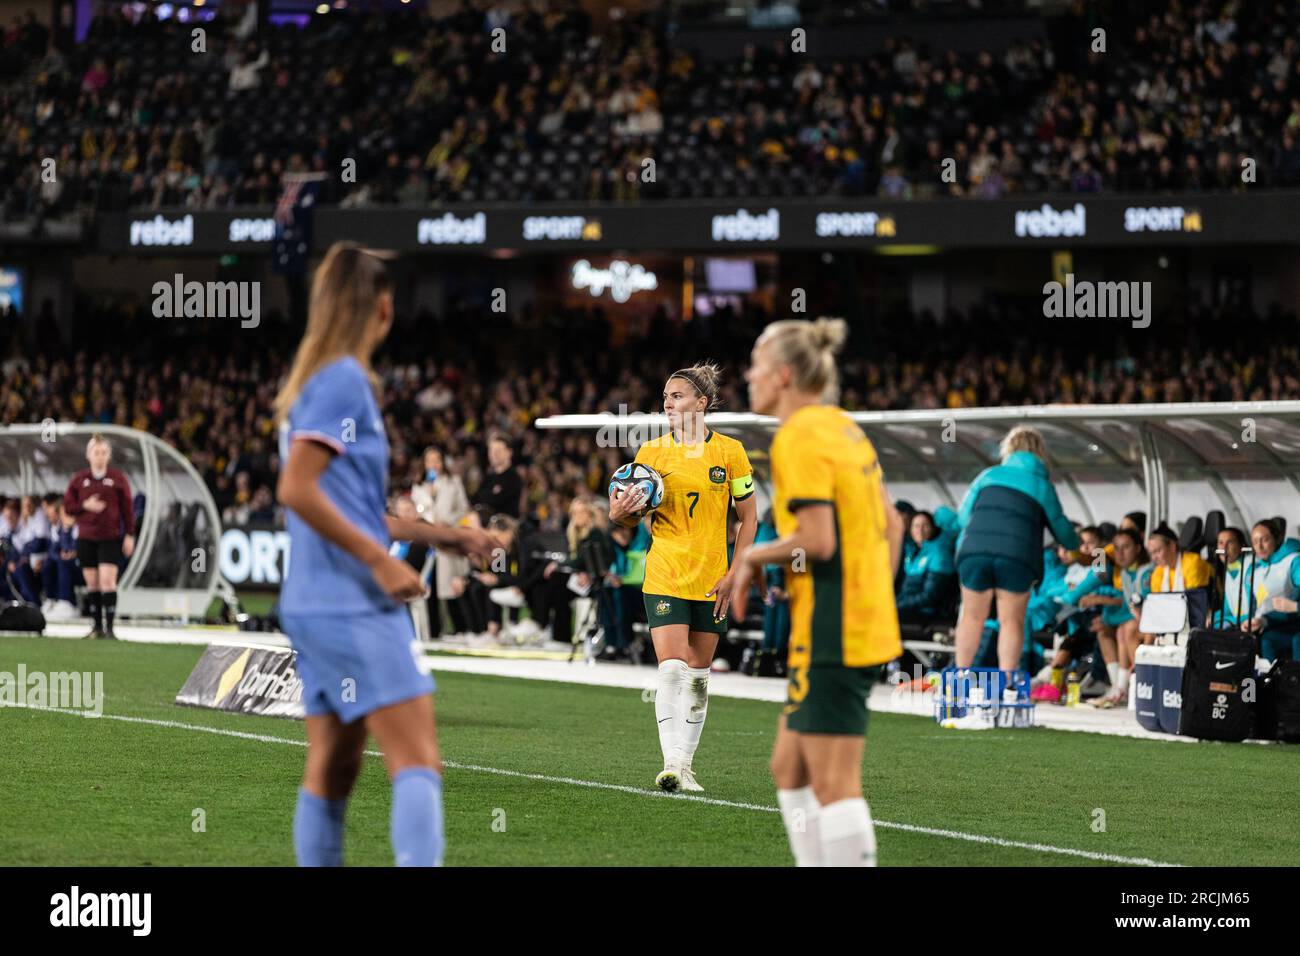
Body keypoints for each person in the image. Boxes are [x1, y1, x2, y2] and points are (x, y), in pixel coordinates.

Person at [272, 242, 494, 867]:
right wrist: (378, 560)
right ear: (384, 308)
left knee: (335, 767)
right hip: (352, 602)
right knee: (418, 760)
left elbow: (352, 507)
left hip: (313, 604)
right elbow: (296, 488)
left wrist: (450, 537)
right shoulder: (344, 380)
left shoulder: (319, 381)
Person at [732, 317, 904, 868]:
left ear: (783, 375)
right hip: (848, 619)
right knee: (790, 768)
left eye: (756, 364)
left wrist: (750, 556)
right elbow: (893, 524)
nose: (748, 374)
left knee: (835, 785)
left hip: (835, 625)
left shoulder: (800, 434)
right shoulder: (842, 427)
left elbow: (817, 541)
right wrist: (876, 600)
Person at [608, 362, 759, 793]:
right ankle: (671, 763)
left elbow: (749, 519)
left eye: (676, 396)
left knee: (698, 675)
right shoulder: (651, 454)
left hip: (712, 577)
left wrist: (736, 572)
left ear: (701, 403)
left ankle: (686, 766)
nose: (668, 404)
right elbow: (631, 516)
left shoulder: (731, 453)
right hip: (665, 572)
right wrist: (619, 515)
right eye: (666, 397)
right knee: (671, 669)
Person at [952, 426, 1079, 678]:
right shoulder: (1042, 485)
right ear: (1040, 452)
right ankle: (1007, 683)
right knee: (1011, 621)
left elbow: (962, 517)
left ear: (1008, 449)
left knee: (971, 617)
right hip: (1016, 555)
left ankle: (959, 680)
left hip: (974, 551)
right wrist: (1076, 545)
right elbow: (1062, 530)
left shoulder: (987, 475)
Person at [62, 434, 136, 639]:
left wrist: (129, 534)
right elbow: (68, 506)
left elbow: (127, 509)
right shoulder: (79, 479)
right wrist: (85, 506)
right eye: (96, 452)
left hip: (110, 537)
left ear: (109, 455)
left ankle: (111, 628)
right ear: (88, 455)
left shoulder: (117, 478)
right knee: (92, 583)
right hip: (86, 537)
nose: (100, 456)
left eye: (104, 452)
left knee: (108, 582)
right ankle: (96, 627)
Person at [1243, 518, 1300, 661]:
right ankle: (1267, 681)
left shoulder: (1293, 561)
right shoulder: (1253, 569)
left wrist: (1294, 606)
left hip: (1292, 623)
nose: (1260, 547)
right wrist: (1254, 621)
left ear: (1276, 539)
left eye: (1265, 540)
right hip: (1267, 624)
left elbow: (1291, 609)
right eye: (1255, 542)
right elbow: (1252, 606)